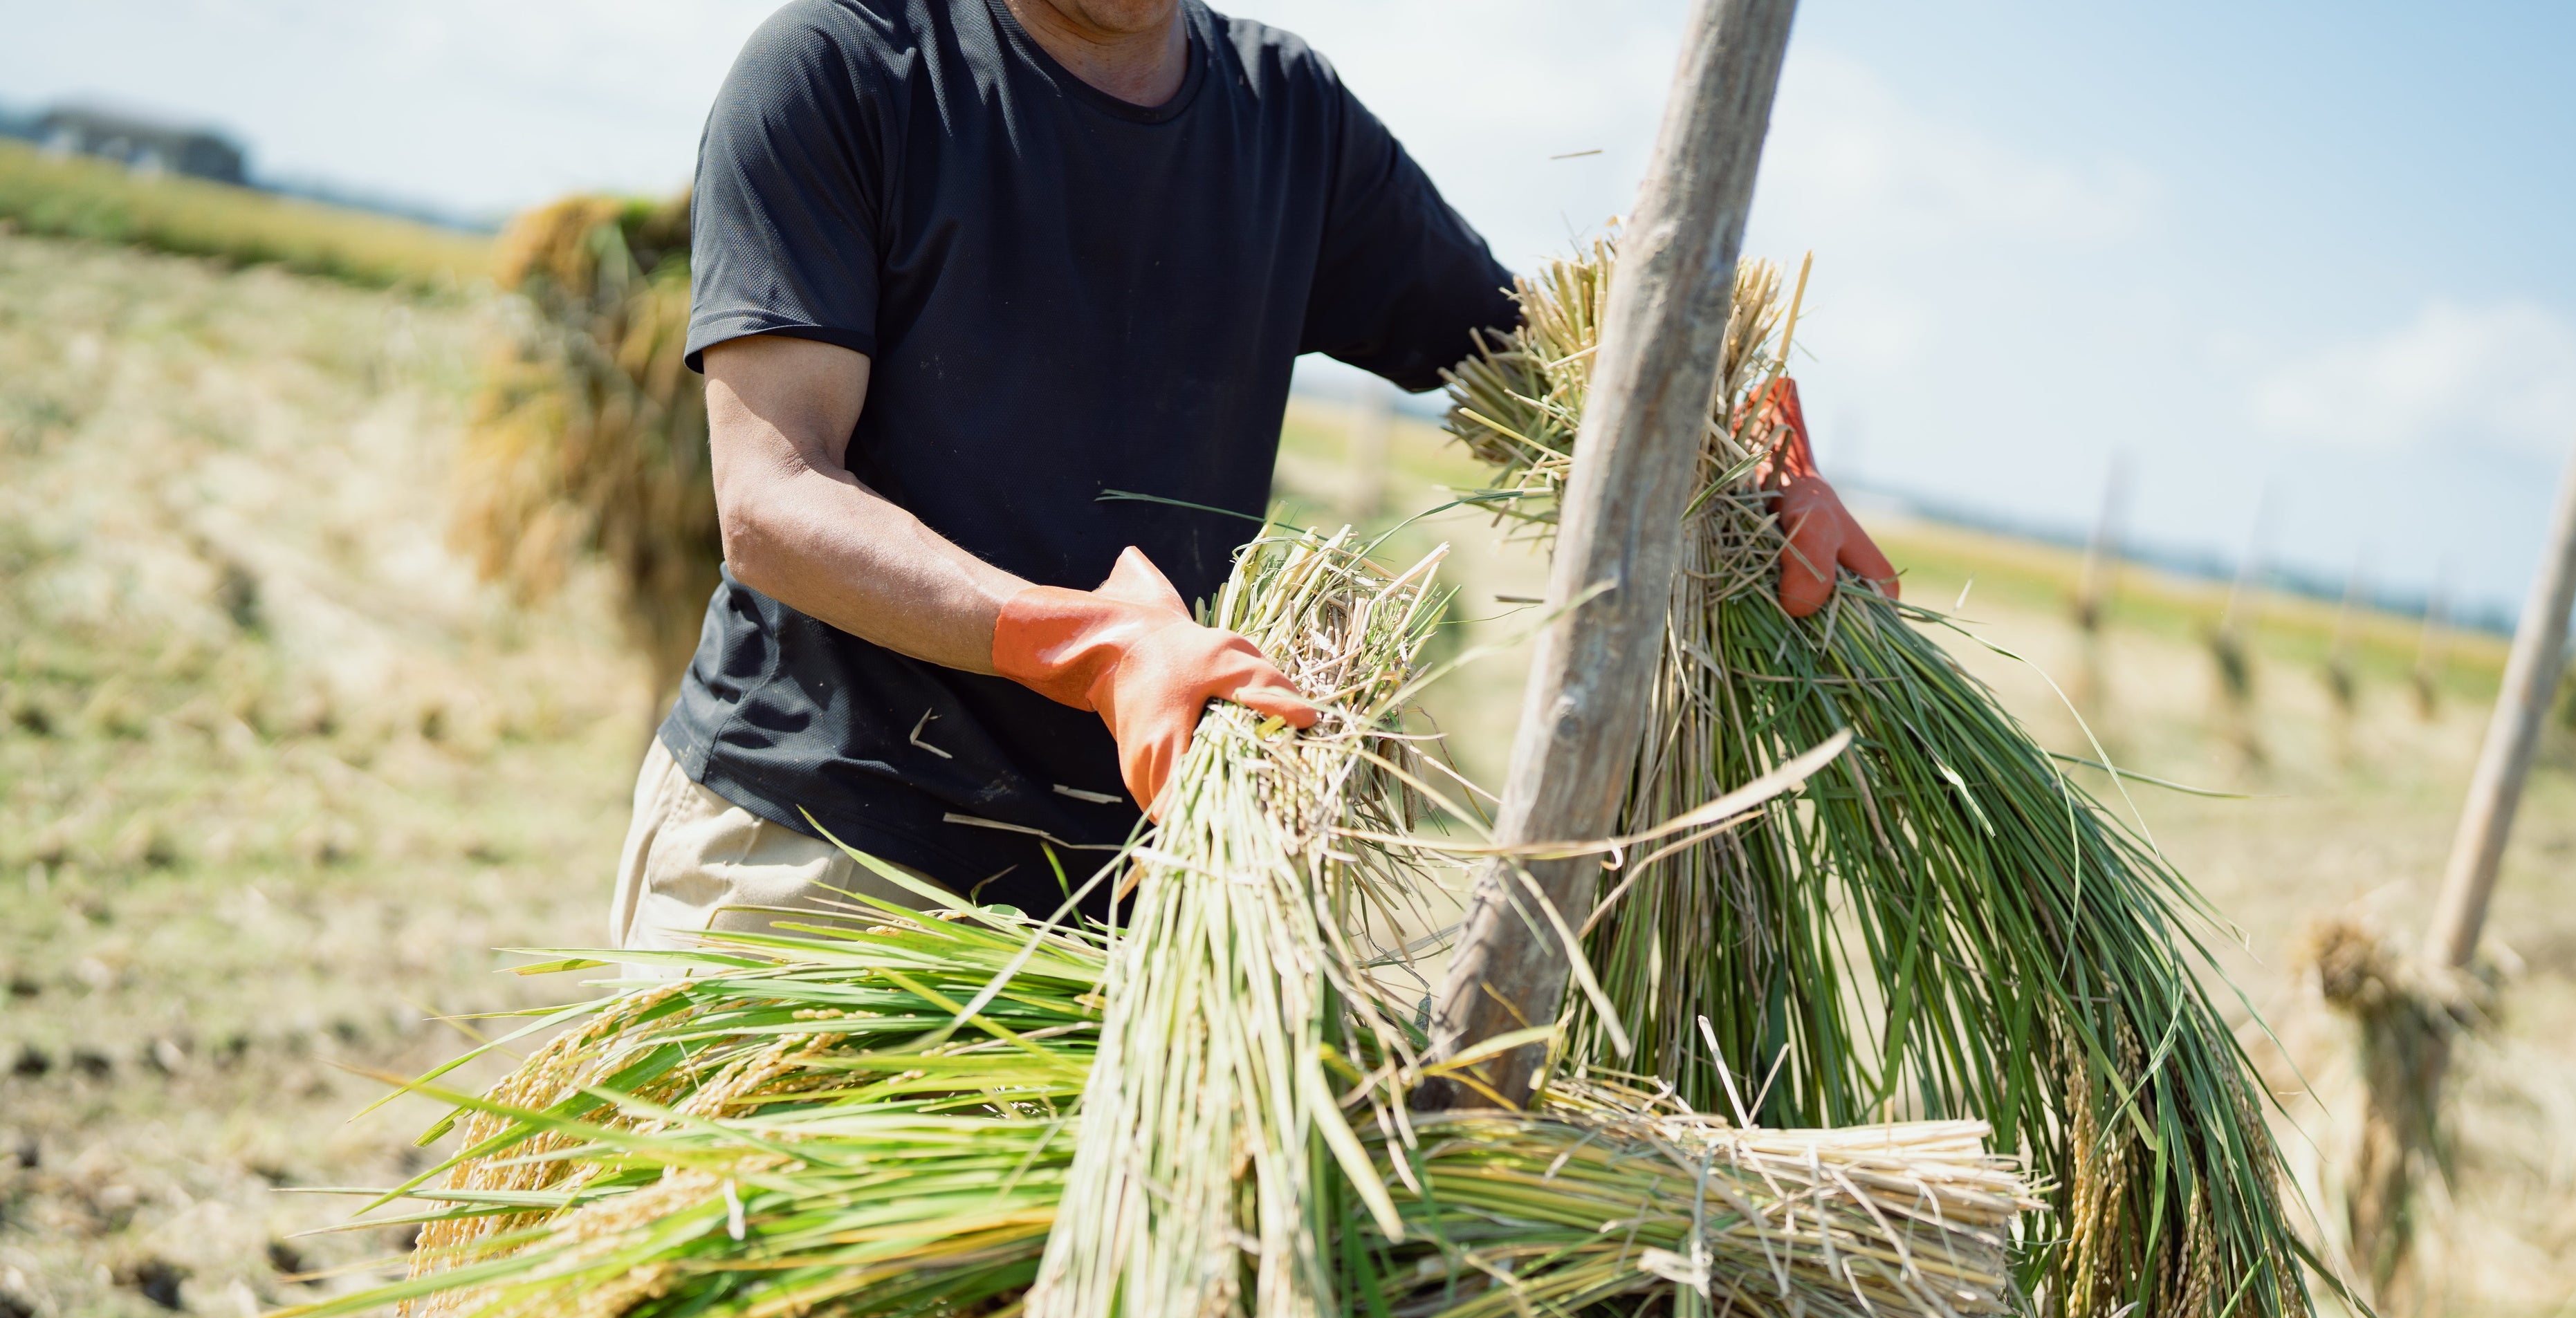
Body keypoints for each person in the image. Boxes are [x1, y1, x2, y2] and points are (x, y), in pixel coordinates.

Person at [610, 0, 1896, 947]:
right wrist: (1093, 648)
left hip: (1112, 909)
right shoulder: (844, 72)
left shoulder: (1287, 122)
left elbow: (1540, 378)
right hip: (814, 864)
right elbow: (774, 504)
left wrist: (1736, 466)